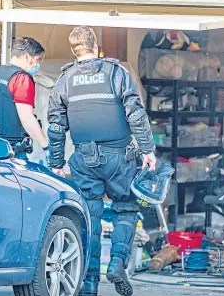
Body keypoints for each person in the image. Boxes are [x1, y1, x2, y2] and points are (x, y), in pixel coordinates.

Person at [47, 26, 157, 296]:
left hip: (84, 159)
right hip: (120, 157)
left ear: (74, 49)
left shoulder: (65, 79)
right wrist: (148, 150)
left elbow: (56, 125)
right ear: (95, 45)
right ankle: (117, 263)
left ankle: (90, 283)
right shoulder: (115, 72)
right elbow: (135, 113)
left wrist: (56, 162)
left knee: (90, 217)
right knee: (126, 210)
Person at [0, 36, 49, 160]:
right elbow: (26, 118)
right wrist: (46, 146)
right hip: (12, 148)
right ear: (27, 57)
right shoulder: (21, 78)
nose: (38, 64)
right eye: (37, 59)